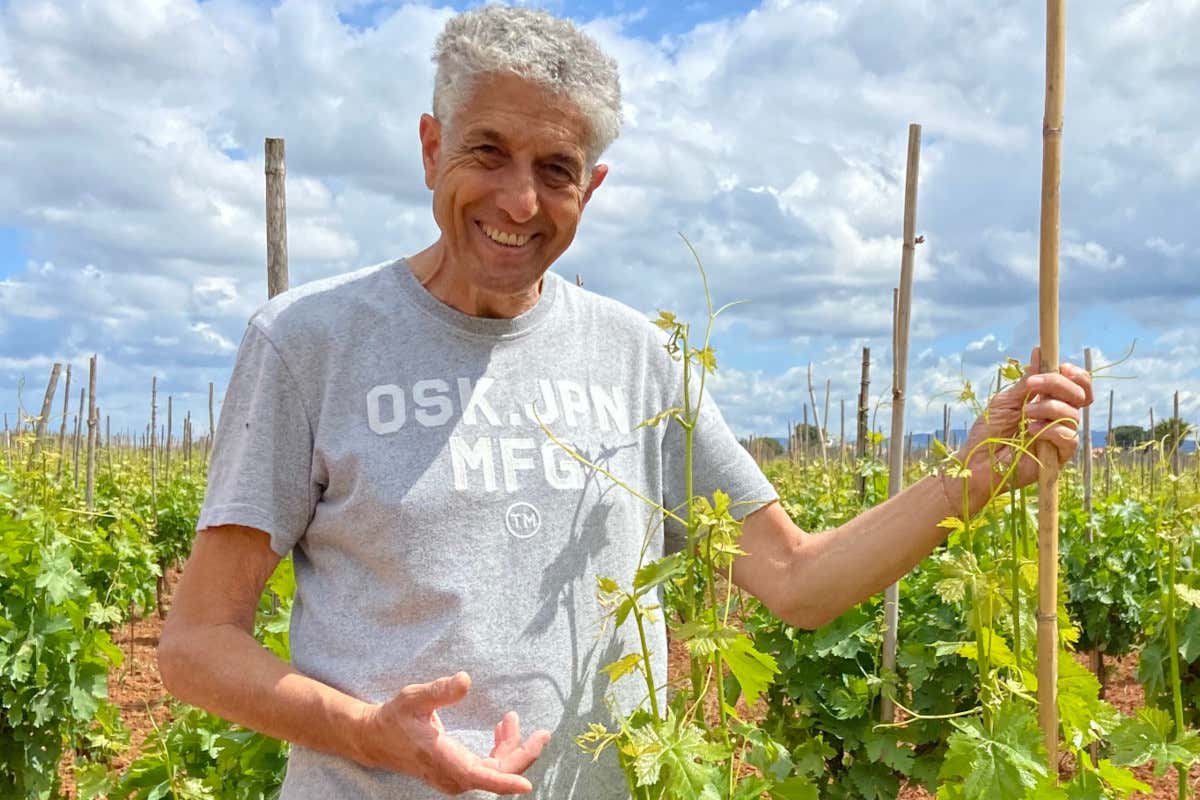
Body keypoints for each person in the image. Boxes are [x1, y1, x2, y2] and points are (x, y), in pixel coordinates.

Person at [158, 6, 1093, 799]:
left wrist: (976, 474)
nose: (519, 201)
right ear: (432, 148)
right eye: (487, 151)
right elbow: (196, 644)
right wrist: (371, 735)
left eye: (556, 169)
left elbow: (797, 581)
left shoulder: (638, 355)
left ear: (591, 187)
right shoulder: (309, 342)